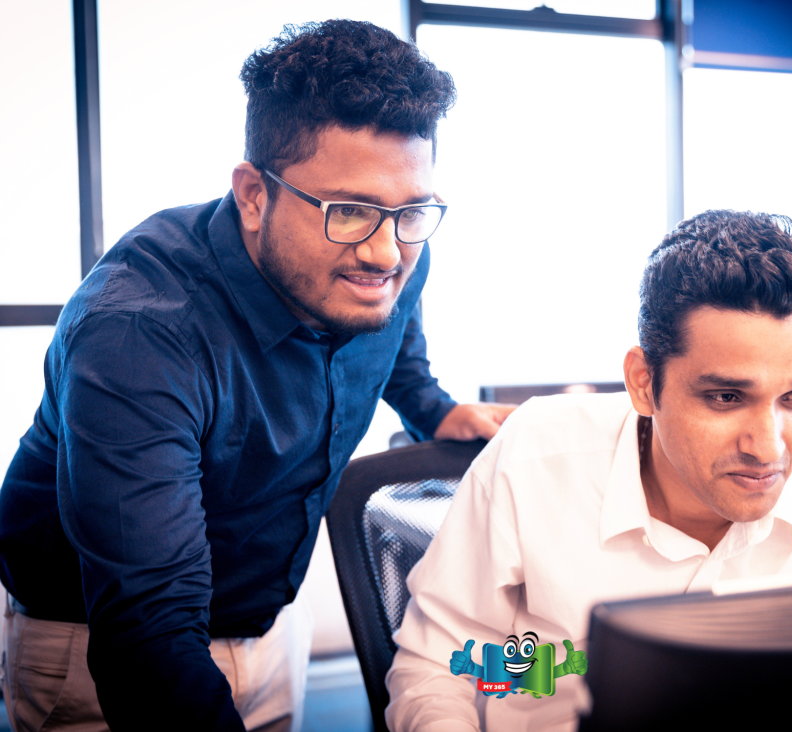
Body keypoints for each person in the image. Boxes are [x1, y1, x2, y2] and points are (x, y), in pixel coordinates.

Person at [0, 20, 513, 732]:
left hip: (268, 618)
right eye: (350, 211)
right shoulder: (138, 332)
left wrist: (433, 407)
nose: (385, 252)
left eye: (410, 211)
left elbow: (396, 338)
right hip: (99, 646)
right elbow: (149, 629)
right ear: (251, 194)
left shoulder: (394, 254)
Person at [384, 210, 792, 732]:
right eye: (725, 396)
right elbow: (438, 666)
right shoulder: (535, 457)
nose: (768, 447)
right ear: (645, 383)